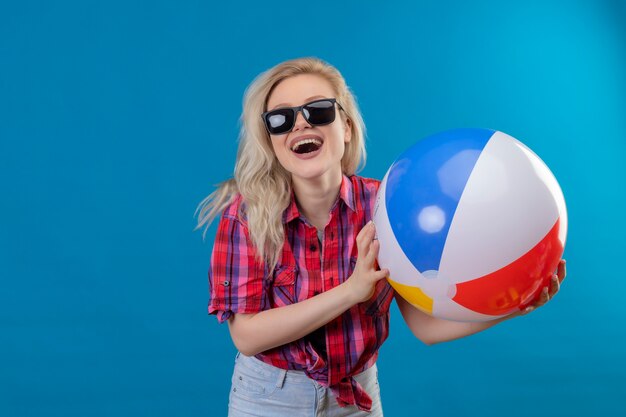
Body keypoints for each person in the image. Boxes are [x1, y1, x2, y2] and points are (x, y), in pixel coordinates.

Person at [195, 57, 567, 416]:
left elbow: (425, 327)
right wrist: (350, 291)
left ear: (347, 128)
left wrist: (514, 306)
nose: (300, 125)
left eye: (318, 110)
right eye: (281, 119)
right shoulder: (247, 216)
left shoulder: (384, 207)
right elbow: (246, 335)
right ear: (271, 140)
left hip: (356, 399)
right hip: (268, 399)